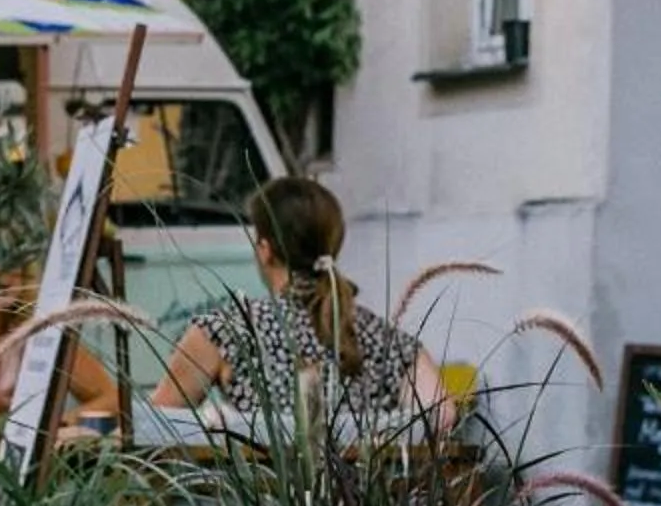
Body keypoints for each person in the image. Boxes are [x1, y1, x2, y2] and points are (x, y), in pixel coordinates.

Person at [148, 176, 444, 418]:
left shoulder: (224, 331)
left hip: (260, 477)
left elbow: (157, 425)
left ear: (265, 250)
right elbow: (441, 414)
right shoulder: (384, 339)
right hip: (359, 477)